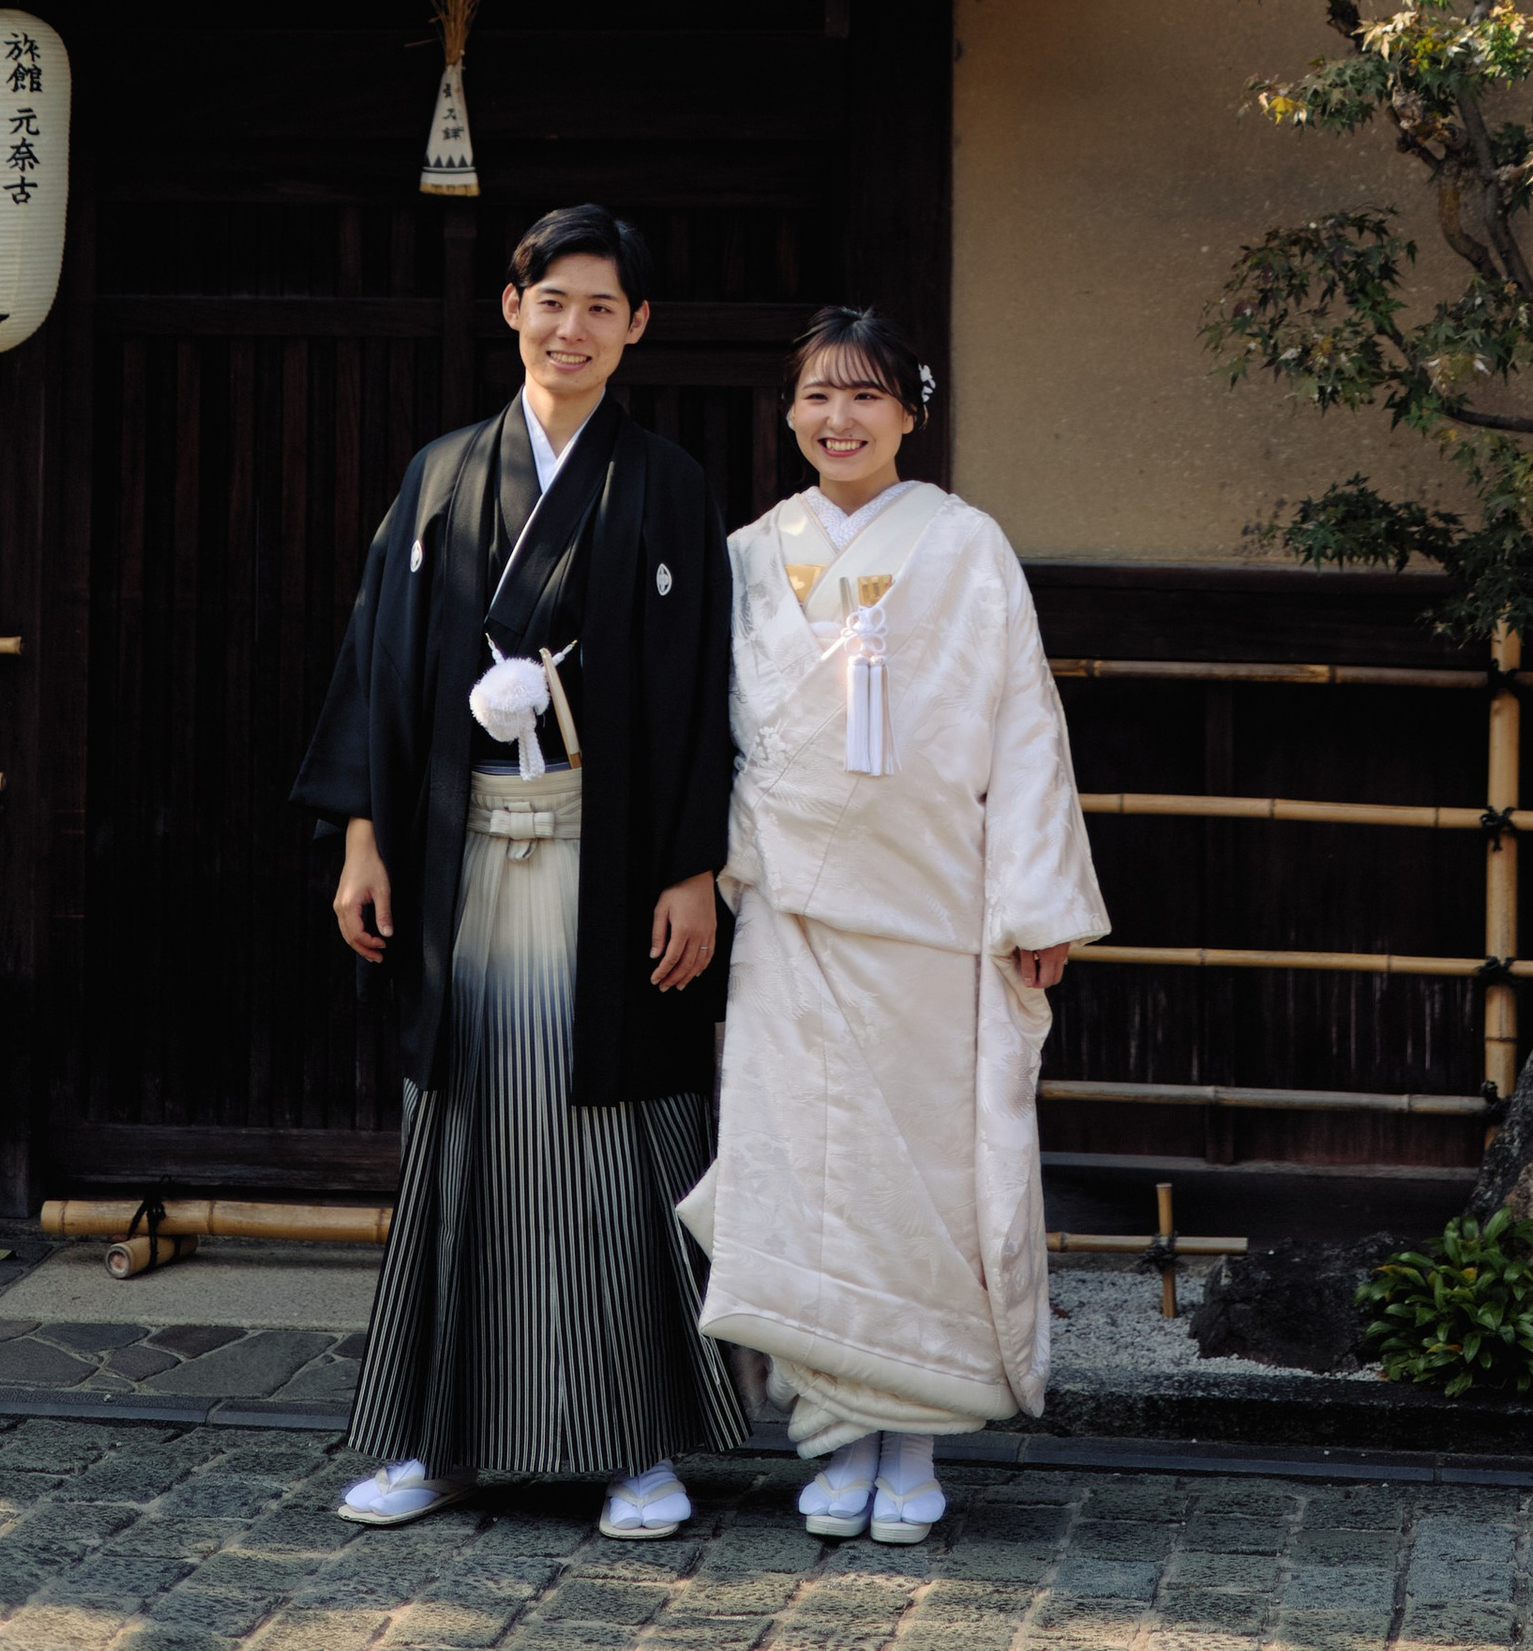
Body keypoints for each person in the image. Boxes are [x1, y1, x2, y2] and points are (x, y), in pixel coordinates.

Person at [292, 202, 748, 1534]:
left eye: (603, 307)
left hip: (612, 869)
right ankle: (438, 1441)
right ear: (512, 309)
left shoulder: (664, 484)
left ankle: (635, 1445)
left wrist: (691, 869)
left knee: (614, 1137)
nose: (574, 327)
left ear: (638, 328)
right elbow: (377, 664)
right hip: (463, 858)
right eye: (553, 300)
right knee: (468, 1131)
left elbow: (701, 688)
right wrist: (365, 836)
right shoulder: (441, 476)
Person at [679, 306, 1107, 1548]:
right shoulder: (753, 552)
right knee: (807, 1169)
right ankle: (830, 1432)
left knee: (919, 1174)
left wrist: (1036, 900)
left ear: (911, 412)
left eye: (865, 396)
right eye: (816, 395)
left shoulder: (967, 547)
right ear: (790, 413)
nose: (838, 419)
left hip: (931, 908)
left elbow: (1025, 728)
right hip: (793, 910)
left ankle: (910, 1443)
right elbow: (711, 732)